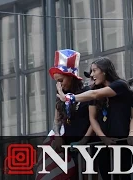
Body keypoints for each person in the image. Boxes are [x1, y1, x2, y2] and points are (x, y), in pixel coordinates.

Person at [56, 57, 133, 180]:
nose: (92, 75)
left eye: (94, 71)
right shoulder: (95, 90)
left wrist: (69, 98)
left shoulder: (120, 85)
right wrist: (103, 138)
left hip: (121, 140)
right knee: (106, 176)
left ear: (104, 71)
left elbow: (94, 94)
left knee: (124, 176)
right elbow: (92, 118)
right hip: (102, 142)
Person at [49, 49, 93, 180]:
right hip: (68, 147)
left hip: (88, 146)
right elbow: (57, 120)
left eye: (61, 80)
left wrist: (83, 141)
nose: (59, 85)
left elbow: (93, 120)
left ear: (71, 76)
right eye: (57, 81)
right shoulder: (59, 97)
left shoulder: (87, 92)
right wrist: (57, 135)